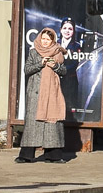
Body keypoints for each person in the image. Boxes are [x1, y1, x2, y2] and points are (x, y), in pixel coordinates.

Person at [19, 27, 69, 163]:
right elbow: (27, 69)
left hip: (52, 94)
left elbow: (64, 71)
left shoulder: (58, 52)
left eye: (48, 39)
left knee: (52, 124)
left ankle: (53, 156)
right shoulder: (34, 52)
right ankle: (25, 156)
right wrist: (40, 64)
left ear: (53, 40)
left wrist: (55, 66)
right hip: (36, 93)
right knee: (32, 125)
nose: (45, 42)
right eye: (43, 39)